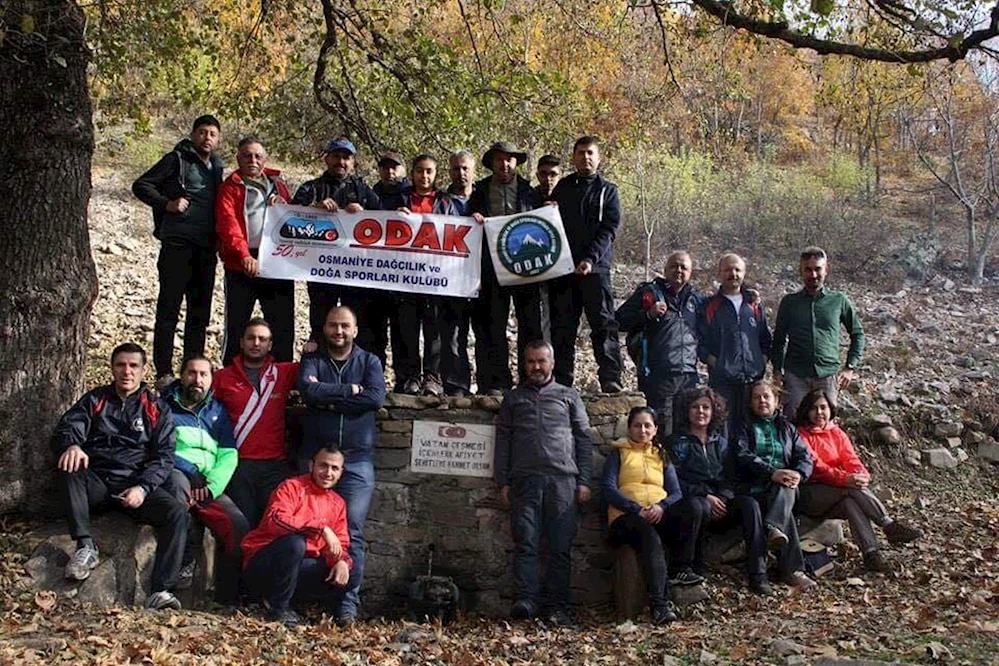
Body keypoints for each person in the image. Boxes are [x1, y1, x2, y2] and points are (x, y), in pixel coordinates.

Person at [51, 342, 188, 610]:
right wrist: (73, 445)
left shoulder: (157, 408)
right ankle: (85, 547)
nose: (127, 371)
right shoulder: (95, 399)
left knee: (177, 513)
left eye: (133, 366)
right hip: (98, 484)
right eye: (121, 365)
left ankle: (161, 590)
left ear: (143, 369)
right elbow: (68, 427)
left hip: (134, 486)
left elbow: (164, 456)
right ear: (112, 368)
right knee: (70, 464)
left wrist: (143, 488)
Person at [494, 340, 592, 625]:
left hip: (563, 480)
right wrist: (503, 481)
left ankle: (557, 607)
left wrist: (584, 481)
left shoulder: (569, 396)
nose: (536, 367)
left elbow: (584, 440)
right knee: (526, 542)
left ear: (551, 363)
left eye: (541, 361)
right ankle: (525, 601)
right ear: (524, 364)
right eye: (531, 362)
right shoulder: (513, 398)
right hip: (524, 481)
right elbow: (503, 440)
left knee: (560, 547)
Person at [298, 306, 386, 624]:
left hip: (356, 460)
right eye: (333, 325)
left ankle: (346, 601)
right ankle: (302, 594)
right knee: (305, 526)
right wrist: (349, 391)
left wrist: (328, 397)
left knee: (352, 531)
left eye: (345, 326)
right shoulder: (313, 359)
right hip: (314, 457)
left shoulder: (370, 362)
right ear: (324, 328)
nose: (339, 331)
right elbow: (308, 391)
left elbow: (375, 398)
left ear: (355, 330)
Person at [132, 115, 225, 385]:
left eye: (212, 134)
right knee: (169, 310)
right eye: (202, 132)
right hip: (177, 245)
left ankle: (192, 372)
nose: (207, 138)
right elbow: (141, 185)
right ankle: (163, 372)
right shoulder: (176, 159)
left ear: (217, 140)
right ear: (193, 134)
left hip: (206, 250)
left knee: (200, 314)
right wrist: (167, 203)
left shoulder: (217, 167)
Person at [794, 390, 922, 572]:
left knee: (850, 502)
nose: (819, 412)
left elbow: (851, 459)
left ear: (830, 409)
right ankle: (888, 525)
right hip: (811, 493)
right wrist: (846, 479)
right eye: (814, 408)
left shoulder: (836, 433)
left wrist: (861, 476)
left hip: (839, 491)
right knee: (849, 491)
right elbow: (816, 467)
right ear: (806, 411)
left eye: (823, 407)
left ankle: (871, 554)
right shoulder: (801, 435)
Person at [163, 355, 249, 602]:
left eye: (203, 375)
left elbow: (229, 453)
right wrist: (189, 471)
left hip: (209, 484)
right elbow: (160, 448)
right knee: (180, 502)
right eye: (191, 373)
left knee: (238, 525)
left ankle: (229, 594)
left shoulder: (218, 411)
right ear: (182, 375)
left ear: (212, 379)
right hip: (178, 475)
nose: (197, 380)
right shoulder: (164, 406)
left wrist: (213, 484)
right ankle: (176, 573)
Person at [291, 137, 384, 358]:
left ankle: (356, 371)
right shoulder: (311, 188)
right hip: (320, 270)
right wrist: (313, 209)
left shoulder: (363, 190)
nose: (341, 162)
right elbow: (288, 217)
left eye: (346, 157)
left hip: (355, 271)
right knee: (321, 322)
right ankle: (318, 370)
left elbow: (385, 219)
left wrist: (365, 213)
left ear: (353, 162)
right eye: (336, 156)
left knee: (357, 323)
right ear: (327, 158)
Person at [467, 141, 548, 395]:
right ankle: (496, 382)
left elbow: (543, 225)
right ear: (491, 163)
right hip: (491, 268)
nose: (504, 164)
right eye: (499, 160)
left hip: (525, 266)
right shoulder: (478, 191)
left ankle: (530, 380)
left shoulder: (530, 192)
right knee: (493, 326)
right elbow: (465, 219)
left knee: (530, 325)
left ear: (516, 162)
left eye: (509, 159)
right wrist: (474, 218)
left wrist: (549, 212)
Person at [601, 406, 692, 625]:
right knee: (648, 536)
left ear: (655, 429)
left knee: (691, 510)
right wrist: (636, 509)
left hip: (657, 512)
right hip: (625, 518)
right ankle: (659, 606)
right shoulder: (618, 453)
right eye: (637, 425)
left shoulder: (661, 455)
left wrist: (661, 506)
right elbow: (608, 488)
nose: (642, 430)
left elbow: (676, 492)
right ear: (629, 428)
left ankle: (685, 570)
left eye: (647, 425)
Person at [241, 446, 352, 627]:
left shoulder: (337, 503)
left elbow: (340, 543)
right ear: (311, 466)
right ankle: (278, 610)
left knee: (348, 570)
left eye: (334, 468)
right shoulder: (291, 487)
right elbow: (276, 520)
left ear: (341, 472)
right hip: (263, 563)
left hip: (299, 565)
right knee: (295, 544)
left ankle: (317, 610)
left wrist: (341, 561)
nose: (328, 473)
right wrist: (320, 528)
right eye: (323, 466)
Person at [549, 136, 623, 393]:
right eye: (580, 153)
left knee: (603, 325)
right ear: (573, 157)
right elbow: (550, 226)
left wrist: (590, 259)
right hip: (563, 272)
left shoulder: (608, 191)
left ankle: (611, 379)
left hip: (596, 270)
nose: (585, 158)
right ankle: (561, 381)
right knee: (562, 329)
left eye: (590, 153)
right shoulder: (562, 188)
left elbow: (609, 229)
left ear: (598, 157)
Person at [385, 154, 462, 395]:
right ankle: (408, 377)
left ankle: (432, 377)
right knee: (405, 330)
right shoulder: (400, 199)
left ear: (436, 173)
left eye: (429, 171)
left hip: (435, 278)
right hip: (404, 277)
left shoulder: (446, 203)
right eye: (420, 171)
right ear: (412, 173)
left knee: (434, 331)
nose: (424, 176)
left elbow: (459, 235)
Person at [732, 381, 816, 595]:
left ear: (776, 401)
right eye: (756, 397)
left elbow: (805, 457)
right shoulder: (742, 426)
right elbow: (742, 456)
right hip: (754, 487)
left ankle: (771, 527)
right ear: (750, 403)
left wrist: (799, 474)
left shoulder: (787, 428)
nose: (762, 401)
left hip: (785, 487)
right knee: (783, 494)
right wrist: (772, 473)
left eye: (766, 396)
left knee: (786, 487)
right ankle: (793, 570)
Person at [213, 318, 298, 527]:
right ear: (241, 342)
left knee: (275, 526)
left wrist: (312, 349)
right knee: (243, 526)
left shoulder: (283, 372)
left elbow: (320, 367)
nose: (256, 343)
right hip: (238, 464)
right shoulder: (221, 377)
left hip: (274, 466)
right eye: (251, 338)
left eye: (262, 339)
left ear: (270, 345)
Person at [215, 137, 293, 366]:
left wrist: (284, 204)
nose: (253, 160)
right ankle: (230, 375)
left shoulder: (278, 184)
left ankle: (282, 377)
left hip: (275, 263)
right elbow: (228, 226)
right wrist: (244, 255)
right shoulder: (230, 187)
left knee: (282, 324)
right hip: (241, 264)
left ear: (265, 159)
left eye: (258, 156)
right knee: (237, 324)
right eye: (247, 155)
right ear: (238, 158)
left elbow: (291, 220)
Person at [772, 246, 865, 417]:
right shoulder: (790, 303)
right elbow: (778, 340)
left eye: (818, 269)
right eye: (808, 269)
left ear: (826, 270)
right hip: (796, 376)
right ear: (801, 271)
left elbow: (857, 334)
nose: (813, 275)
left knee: (825, 423)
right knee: (793, 423)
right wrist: (777, 372)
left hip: (827, 375)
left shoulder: (838, 301)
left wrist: (849, 367)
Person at [616, 251, 702, 435]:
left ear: (690, 272)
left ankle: (683, 465)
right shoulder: (649, 292)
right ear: (665, 270)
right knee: (662, 430)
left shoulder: (696, 298)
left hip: (689, 375)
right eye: (674, 266)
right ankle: (661, 465)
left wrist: (748, 292)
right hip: (658, 375)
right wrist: (648, 315)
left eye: (683, 267)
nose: (679, 270)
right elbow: (618, 321)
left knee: (687, 430)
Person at [698, 253, 771, 438]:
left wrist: (761, 362)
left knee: (752, 432)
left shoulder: (753, 305)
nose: (733, 273)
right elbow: (700, 342)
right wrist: (717, 363)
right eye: (728, 269)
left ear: (744, 273)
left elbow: (765, 338)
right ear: (720, 273)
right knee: (724, 431)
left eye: (737, 269)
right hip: (723, 382)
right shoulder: (710, 306)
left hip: (752, 381)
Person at [668, 388, 734, 582]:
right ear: (687, 412)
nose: (700, 411)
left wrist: (723, 498)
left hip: (719, 501)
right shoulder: (675, 442)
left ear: (714, 411)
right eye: (695, 407)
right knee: (700, 506)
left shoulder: (721, 443)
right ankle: (684, 566)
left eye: (706, 407)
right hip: (689, 501)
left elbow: (731, 476)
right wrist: (705, 494)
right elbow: (673, 478)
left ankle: (758, 571)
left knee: (750, 506)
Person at [447, 150, 476, 215]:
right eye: (456, 169)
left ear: (473, 172)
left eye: (465, 168)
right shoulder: (441, 201)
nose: (461, 173)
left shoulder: (485, 199)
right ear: (450, 172)